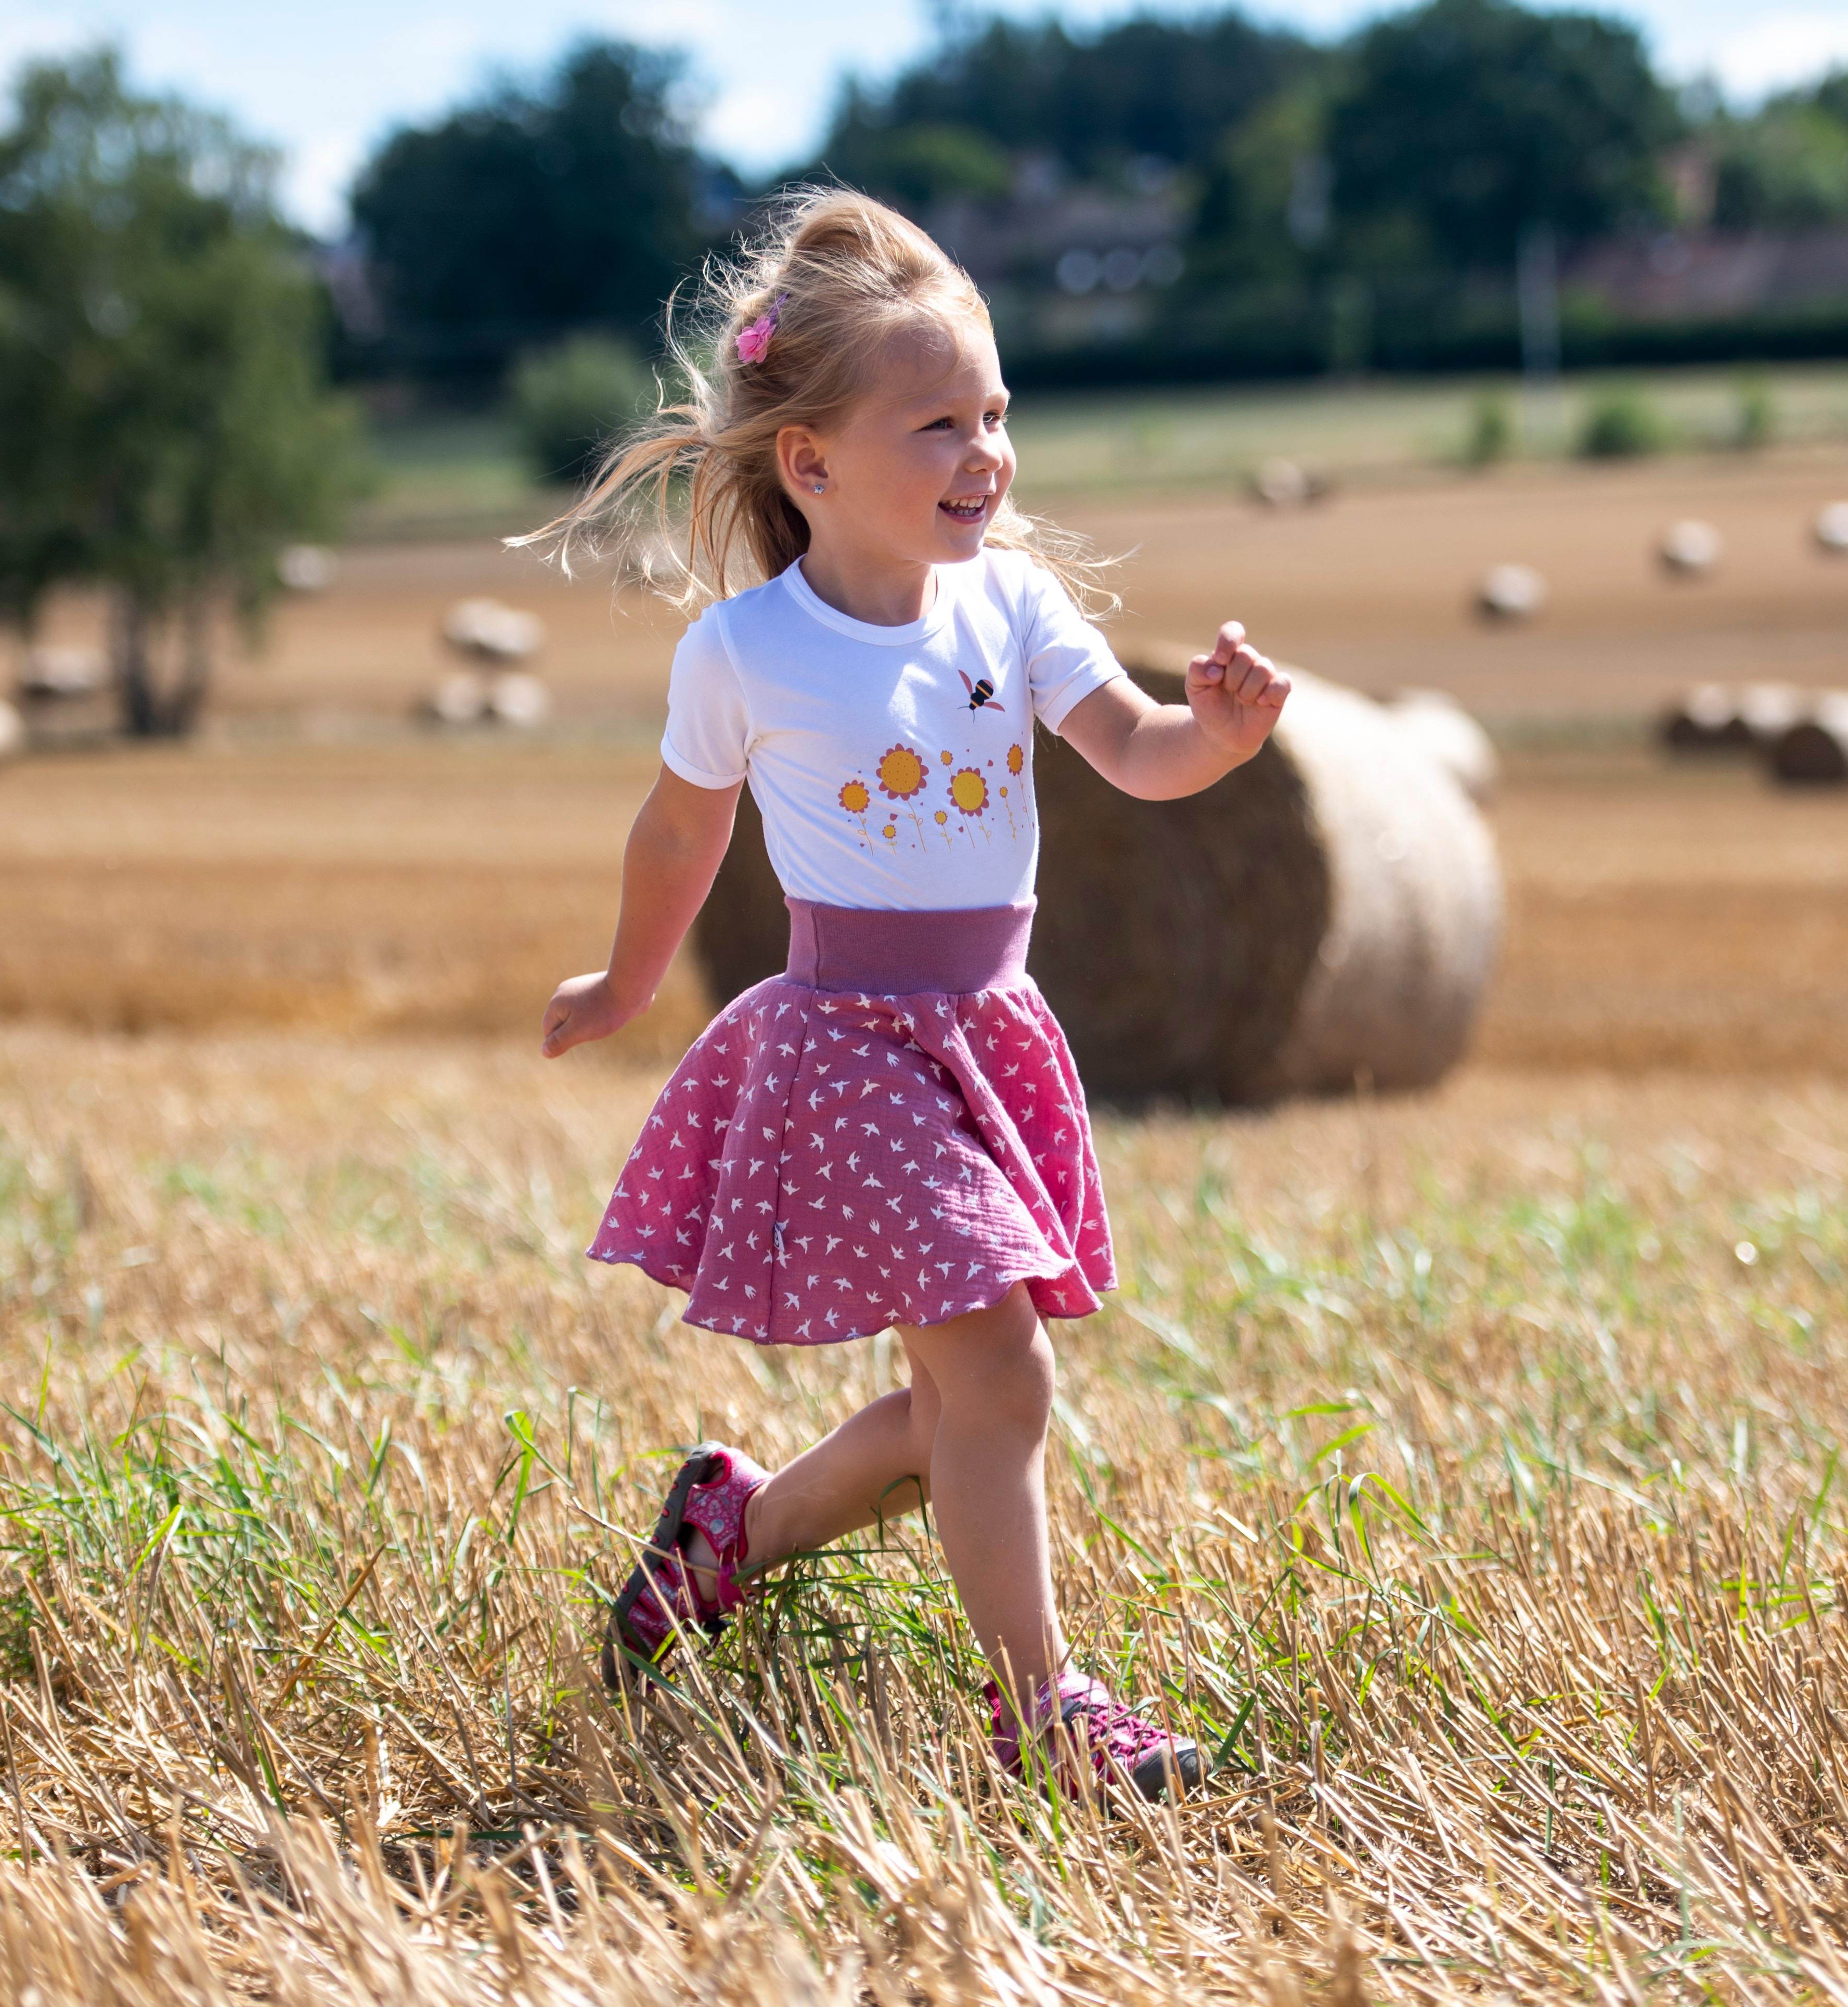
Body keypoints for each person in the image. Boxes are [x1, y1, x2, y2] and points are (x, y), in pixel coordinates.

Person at [524, 189, 1289, 1806]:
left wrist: (1217, 740)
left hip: (991, 1033)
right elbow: (680, 832)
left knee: (953, 1414)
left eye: (996, 413)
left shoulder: (1013, 602)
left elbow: (1135, 749)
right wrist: (628, 979)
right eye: (938, 422)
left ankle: (727, 1533)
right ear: (809, 462)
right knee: (1003, 1377)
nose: (984, 451)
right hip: (846, 1046)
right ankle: (1046, 1711)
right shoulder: (746, 651)